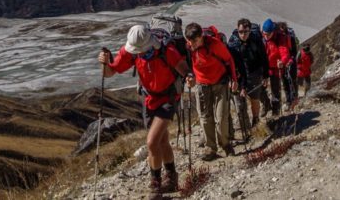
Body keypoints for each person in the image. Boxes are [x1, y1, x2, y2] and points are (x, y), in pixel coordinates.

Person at [99, 24, 188, 197]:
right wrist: (104, 62)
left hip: (169, 98)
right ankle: (172, 177)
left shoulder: (166, 50)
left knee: (152, 142)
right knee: (162, 141)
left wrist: (189, 77)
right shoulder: (130, 52)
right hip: (149, 99)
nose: (138, 53)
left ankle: (155, 186)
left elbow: (183, 69)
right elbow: (110, 72)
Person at [184, 22, 238, 160]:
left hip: (220, 83)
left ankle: (225, 144)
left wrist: (234, 79)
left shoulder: (214, 44)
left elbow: (228, 59)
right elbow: (186, 67)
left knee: (221, 117)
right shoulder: (188, 48)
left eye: (195, 41)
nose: (193, 44)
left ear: (201, 36)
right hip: (202, 85)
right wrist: (189, 77)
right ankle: (210, 148)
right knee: (205, 117)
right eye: (190, 41)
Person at [228, 18, 270, 131]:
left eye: (245, 32)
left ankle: (255, 120)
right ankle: (245, 124)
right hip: (239, 74)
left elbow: (264, 58)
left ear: (250, 30)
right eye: (240, 32)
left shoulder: (256, 39)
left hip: (254, 71)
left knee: (254, 98)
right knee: (240, 100)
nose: (243, 34)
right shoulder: (233, 42)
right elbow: (229, 61)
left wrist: (266, 75)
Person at [261, 19, 295, 115]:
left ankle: (275, 113)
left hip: (275, 69)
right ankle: (266, 103)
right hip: (264, 67)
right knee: (260, 89)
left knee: (275, 91)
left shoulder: (279, 38)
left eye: (268, 34)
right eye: (264, 34)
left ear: (273, 32)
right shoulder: (262, 37)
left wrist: (282, 62)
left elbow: (284, 51)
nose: (266, 36)